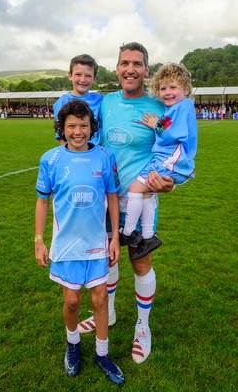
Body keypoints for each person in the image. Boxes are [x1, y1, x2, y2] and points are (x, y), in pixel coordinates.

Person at [78, 42, 174, 364]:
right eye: (124, 63)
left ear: (147, 69)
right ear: (117, 68)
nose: (130, 69)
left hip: (141, 198)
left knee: (139, 261)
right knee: (108, 257)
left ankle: (142, 327)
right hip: (105, 200)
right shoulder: (106, 103)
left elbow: (178, 152)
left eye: (136, 63)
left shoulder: (161, 107)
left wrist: (171, 182)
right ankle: (110, 312)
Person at [34, 99, 124, 385]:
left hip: (97, 243)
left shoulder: (105, 157)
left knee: (100, 299)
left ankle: (102, 352)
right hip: (66, 246)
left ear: (91, 127)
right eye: (71, 125)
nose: (77, 131)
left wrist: (115, 238)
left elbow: (112, 197)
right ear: (62, 128)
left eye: (83, 125)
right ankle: (73, 344)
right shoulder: (50, 159)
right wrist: (39, 239)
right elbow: (42, 200)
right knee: (72, 301)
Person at [121, 63, 198, 260]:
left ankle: (128, 232)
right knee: (146, 193)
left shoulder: (183, 106)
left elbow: (173, 134)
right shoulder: (176, 107)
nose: (167, 92)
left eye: (173, 87)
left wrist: (157, 124)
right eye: (163, 88)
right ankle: (148, 237)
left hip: (171, 160)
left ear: (186, 89)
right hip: (168, 159)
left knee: (135, 188)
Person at [53, 54, 104, 145]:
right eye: (78, 74)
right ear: (70, 75)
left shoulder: (100, 99)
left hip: (95, 153)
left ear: (94, 79)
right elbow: (62, 136)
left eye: (88, 76)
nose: (83, 79)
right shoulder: (62, 102)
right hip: (73, 154)